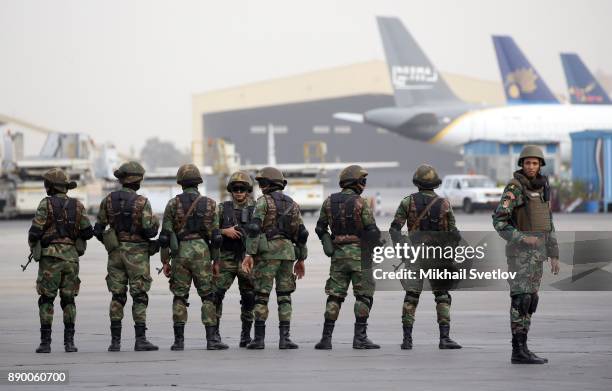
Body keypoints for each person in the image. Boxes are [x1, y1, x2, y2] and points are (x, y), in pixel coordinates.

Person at [493, 145, 560, 364]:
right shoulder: (515, 187)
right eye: (527, 163)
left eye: (535, 163)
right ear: (521, 164)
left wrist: (554, 254)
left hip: (537, 257)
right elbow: (499, 221)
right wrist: (522, 238)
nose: (531, 167)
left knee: (531, 301)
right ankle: (517, 350)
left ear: (541, 165)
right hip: (520, 256)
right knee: (520, 301)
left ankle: (524, 348)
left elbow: (548, 223)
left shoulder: (542, 187)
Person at [389, 164, 462, 350]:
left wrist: (402, 250)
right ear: (435, 183)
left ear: (417, 183)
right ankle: (444, 338)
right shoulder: (444, 204)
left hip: (415, 255)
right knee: (443, 296)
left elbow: (395, 229)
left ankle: (407, 340)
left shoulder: (407, 202)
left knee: (411, 297)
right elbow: (454, 234)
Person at [158, 164, 226, 350]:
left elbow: (165, 236)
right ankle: (212, 340)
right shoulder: (211, 204)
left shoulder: (172, 204)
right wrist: (216, 261)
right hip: (202, 251)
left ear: (180, 182)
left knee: (180, 296)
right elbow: (216, 237)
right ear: (198, 182)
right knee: (208, 296)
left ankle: (178, 342)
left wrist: (165, 261)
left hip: (180, 252)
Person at [94, 161, 160, 352]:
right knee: (139, 296)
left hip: (115, 254)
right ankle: (140, 339)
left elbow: (97, 230)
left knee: (117, 296)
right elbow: (149, 232)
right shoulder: (142, 202)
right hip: (137, 255)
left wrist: (111, 245)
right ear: (138, 180)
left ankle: (115, 342)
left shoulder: (108, 200)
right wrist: (154, 223)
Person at [314, 165, 381, 350]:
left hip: (338, 256)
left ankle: (326, 339)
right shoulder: (361, 202)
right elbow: (372, 231)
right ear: (355, 182)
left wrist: (329, 244)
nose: (364, 185)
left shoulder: (329, 202)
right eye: (363, 181)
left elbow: (320, 228)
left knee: (334, 297)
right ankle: (360, 338)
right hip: (360, 256)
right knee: (363, 296)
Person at [242, 167, 308, 350]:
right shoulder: (292, 204)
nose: (261, 187)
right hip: (287, 254)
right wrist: (301, 259)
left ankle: (259, 339)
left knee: (261, 296)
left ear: (269, 184)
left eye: (263, 183)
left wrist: (249, 254)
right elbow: (301, 233)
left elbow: (254, 229)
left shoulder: (263, 202)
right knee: (285, 296)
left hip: (267, 254)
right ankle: (285, 338)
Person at [28, 168, 93, 353]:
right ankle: (69, 343)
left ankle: (45, 343)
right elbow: (88, 232)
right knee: (69, 300)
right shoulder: (78, 205)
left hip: (50, 259)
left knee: (47, 300)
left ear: (50, 186)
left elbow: (35, 231)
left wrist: (37, 244)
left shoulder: (45, 204)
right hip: (71, 259)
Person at [214, 171, 256, 347]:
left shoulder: (257, 208)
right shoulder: (223, 208)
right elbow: (210, 229)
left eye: (242, 189)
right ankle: (214, 335)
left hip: (247, 258)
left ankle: (246, 335)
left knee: (249, 297)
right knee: (216, 295)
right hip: (227, 258)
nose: (239, 192)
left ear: (248, 190)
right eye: (235, 189)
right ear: (231, 190)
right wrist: (225, 231)